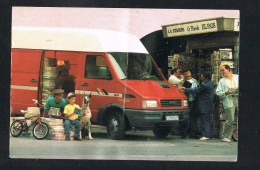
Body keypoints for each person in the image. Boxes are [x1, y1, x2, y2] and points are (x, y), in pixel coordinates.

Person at [183, 71, 214, 140]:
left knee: (204, 120)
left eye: (201, 75)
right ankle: (208, 134)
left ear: (204, 77)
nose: (201, 77)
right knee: (207, 120)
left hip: (204, 105)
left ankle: (206, 135)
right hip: (208, 104)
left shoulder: (205, 85)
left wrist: (185, 89)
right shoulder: (211, 83)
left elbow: (196, 90)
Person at [216, 64, 238, 142]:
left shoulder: (237, 77)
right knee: (231, 119)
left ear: (228, 69)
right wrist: (225, 93)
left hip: (238, 99)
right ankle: (225, 135)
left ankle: (235, 134)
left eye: (223, 70)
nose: (222, 72)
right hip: (229, 100)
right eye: (221, 71)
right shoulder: (222, 80)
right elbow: (217, 92)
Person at [182, 69, 199, 138]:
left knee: (193, 117)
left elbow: (198, 89)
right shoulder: (182, 81)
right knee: (186, 117)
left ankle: (193, 133)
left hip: (194, 100)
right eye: (186, 73)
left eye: (188, 73)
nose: (187, 75)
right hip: (187, 100)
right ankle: (184, 133)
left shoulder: (195, 81)